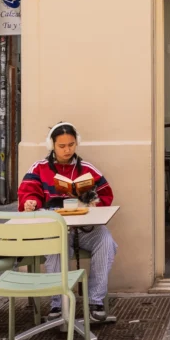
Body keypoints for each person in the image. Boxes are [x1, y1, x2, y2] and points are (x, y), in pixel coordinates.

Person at [17, 122, 116, 322]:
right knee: (54, 246)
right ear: (51, 145)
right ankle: (58, 303)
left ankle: (95, 300)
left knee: (106, 240)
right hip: (55, 230)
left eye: (71, 145)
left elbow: (106, 195)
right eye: (62, 146)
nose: (67, 150)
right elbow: (28, 194)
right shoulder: (39, 168)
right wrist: (30, 203)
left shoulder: (87, 169)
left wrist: (92, 200)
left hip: (84, 230)